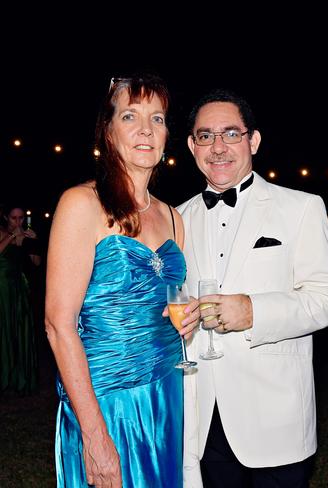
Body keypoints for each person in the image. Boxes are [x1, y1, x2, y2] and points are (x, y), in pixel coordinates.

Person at [178, 89, 328, 488]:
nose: (218, 147)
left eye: (231, 134)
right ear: (191, 146)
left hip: (276, 420)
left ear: (253, 140)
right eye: (205, 136)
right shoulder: (177, 219)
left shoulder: (301, 207)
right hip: (203, 421)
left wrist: (254, 311)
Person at [45, 74, 195, 488]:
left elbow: (167, 306)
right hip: (105, 402)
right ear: (108, 133)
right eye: (130, 116)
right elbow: (59, 326)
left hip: (166, 394)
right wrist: (94, 435)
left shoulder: (173, 218)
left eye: (158, 118)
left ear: (167, 136)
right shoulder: (82, 204)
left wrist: (187, 321)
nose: (146, 129)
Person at [0, 205, 40, 394]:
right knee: (4, 329)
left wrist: (34, 242)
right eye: (14, 218)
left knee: (21, 329)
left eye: (21, 218)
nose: (18, 222)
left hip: (19, 286)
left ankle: (20, 378)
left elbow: (36, 262)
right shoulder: (2, 233)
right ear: (6, 217)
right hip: (2, 288)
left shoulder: (25, 235)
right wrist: (12, 236)